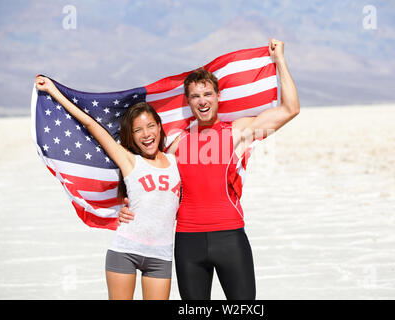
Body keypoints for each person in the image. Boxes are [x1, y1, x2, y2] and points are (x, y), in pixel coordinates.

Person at [118, 38, 300, 299]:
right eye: (195, 96)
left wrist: (279, 59)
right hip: (187, 243)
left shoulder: (238, 132)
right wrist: (125, 208)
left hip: (230, 239)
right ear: (188, 101)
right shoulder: (178, 144)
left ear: (218, 96)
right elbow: (145, 179)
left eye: (207, 94)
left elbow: (290, 109)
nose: (202, 101)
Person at [35, 76, 181, 300]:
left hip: (161, 255)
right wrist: (53, 91)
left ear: (160, 127)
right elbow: (92, 125)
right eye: (138, 130)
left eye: (151, 126)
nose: (146, 134)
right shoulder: (129, 161)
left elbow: (201, 123)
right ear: (131, 136)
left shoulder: (175, 160)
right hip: (125, 251)